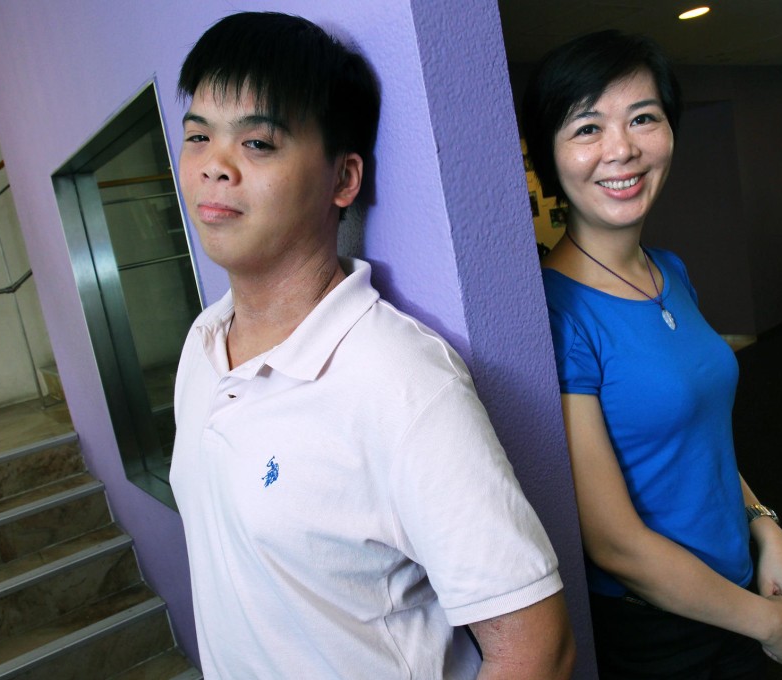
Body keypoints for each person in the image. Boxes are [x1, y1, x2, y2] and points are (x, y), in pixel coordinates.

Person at [168, 12, 575, 679]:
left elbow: (539, 651)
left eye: (259, 143)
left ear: (343, 179)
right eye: (197, 137)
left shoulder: (399, 378)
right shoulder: (202, 343)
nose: (214, 167)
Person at [521, 30, 782, 679]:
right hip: (662, 634)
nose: (622, 148)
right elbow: (615, 544)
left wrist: (768, 530)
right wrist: (766, 622)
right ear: (549, 156)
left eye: (643, 118)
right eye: (587, 127)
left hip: (735, 589)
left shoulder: (671, 272)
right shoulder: (554, 311)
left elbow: (703, 441)